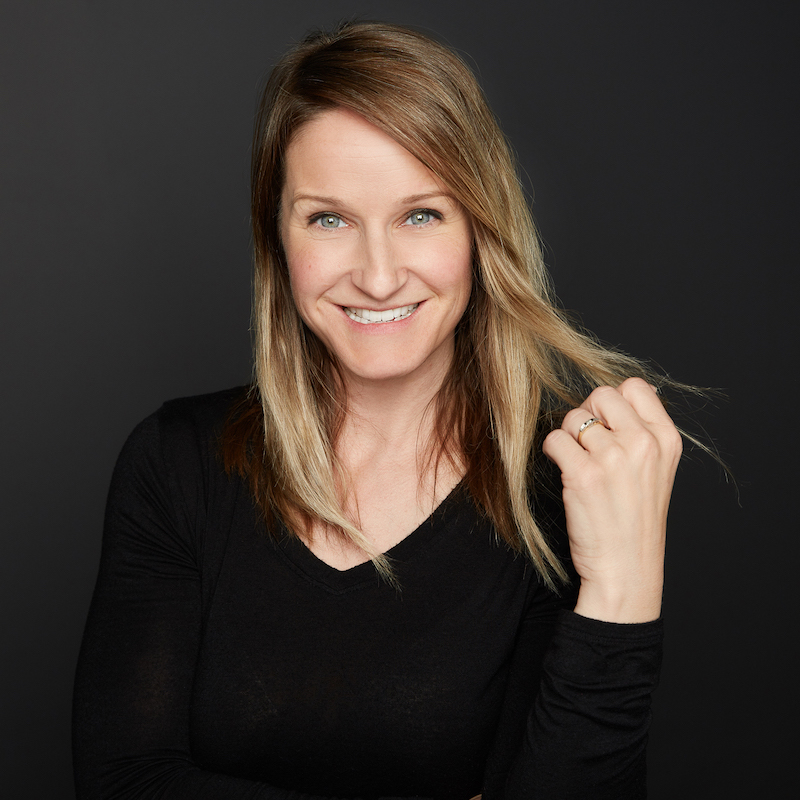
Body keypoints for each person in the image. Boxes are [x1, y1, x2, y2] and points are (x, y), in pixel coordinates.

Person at [73, 21, 684, 799]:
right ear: (278, 240)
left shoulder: (573, 484)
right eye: (329, 218)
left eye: (421, 214)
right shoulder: (174, 464)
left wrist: (624, 593)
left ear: (480, 231)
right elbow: (122, 780)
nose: (378, 274)